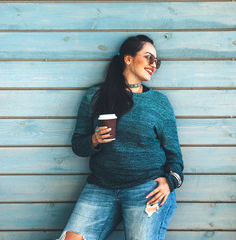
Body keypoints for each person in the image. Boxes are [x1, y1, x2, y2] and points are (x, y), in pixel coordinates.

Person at [57, 35, 184, 240]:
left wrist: (170, 182)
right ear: (128, 59)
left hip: (146, 189)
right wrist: (94, 140)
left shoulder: (159, 102)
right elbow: (78, 145)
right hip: (101, 187)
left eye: (156, 61)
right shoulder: (95, 96)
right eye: (148, 57)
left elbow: (174, 154)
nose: (153, 65)